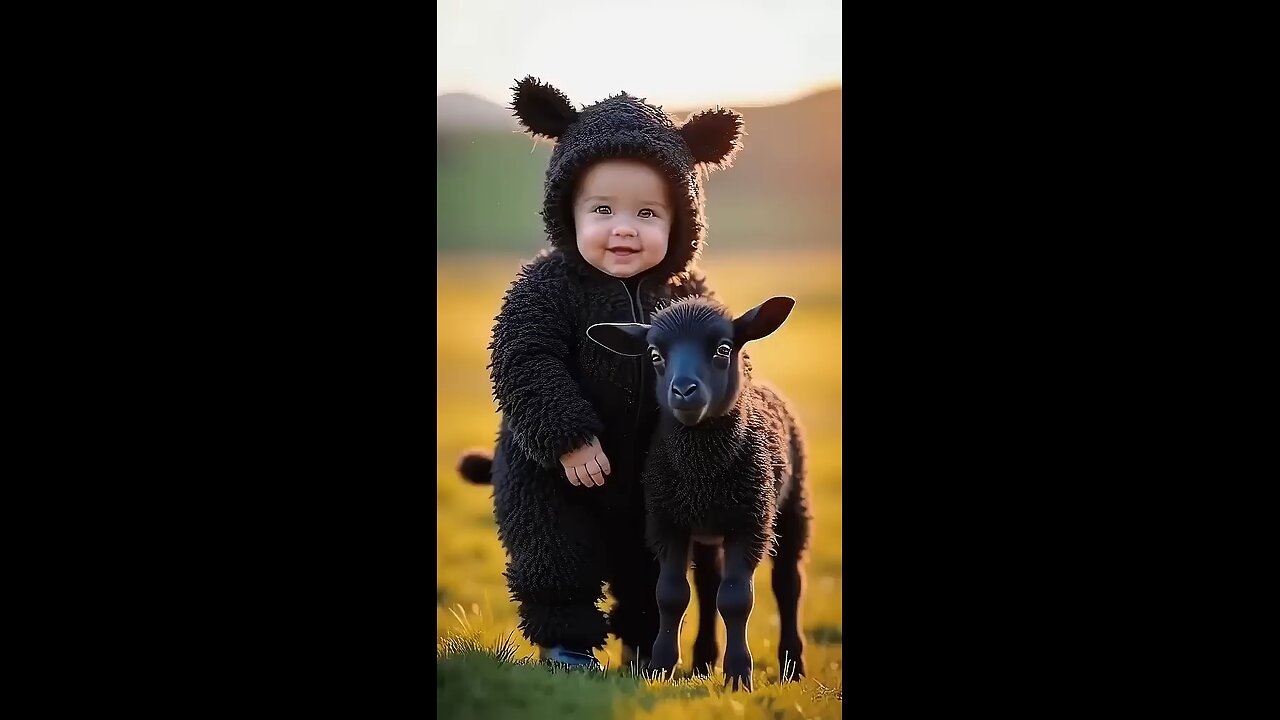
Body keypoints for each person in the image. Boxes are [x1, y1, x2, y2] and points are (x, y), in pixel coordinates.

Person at [457, 76, 744, 669]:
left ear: (681, 221)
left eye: (647, 213)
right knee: (554, 549)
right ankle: (566, 645)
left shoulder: (686, 296)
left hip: (646, 467)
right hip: (553, 467)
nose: (623, 228)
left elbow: (727, 361)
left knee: (651, 556)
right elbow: (522, 364)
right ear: (568, 211)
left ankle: (646, 643)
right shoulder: (547, 288)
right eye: (602, 210)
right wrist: (565, 436)